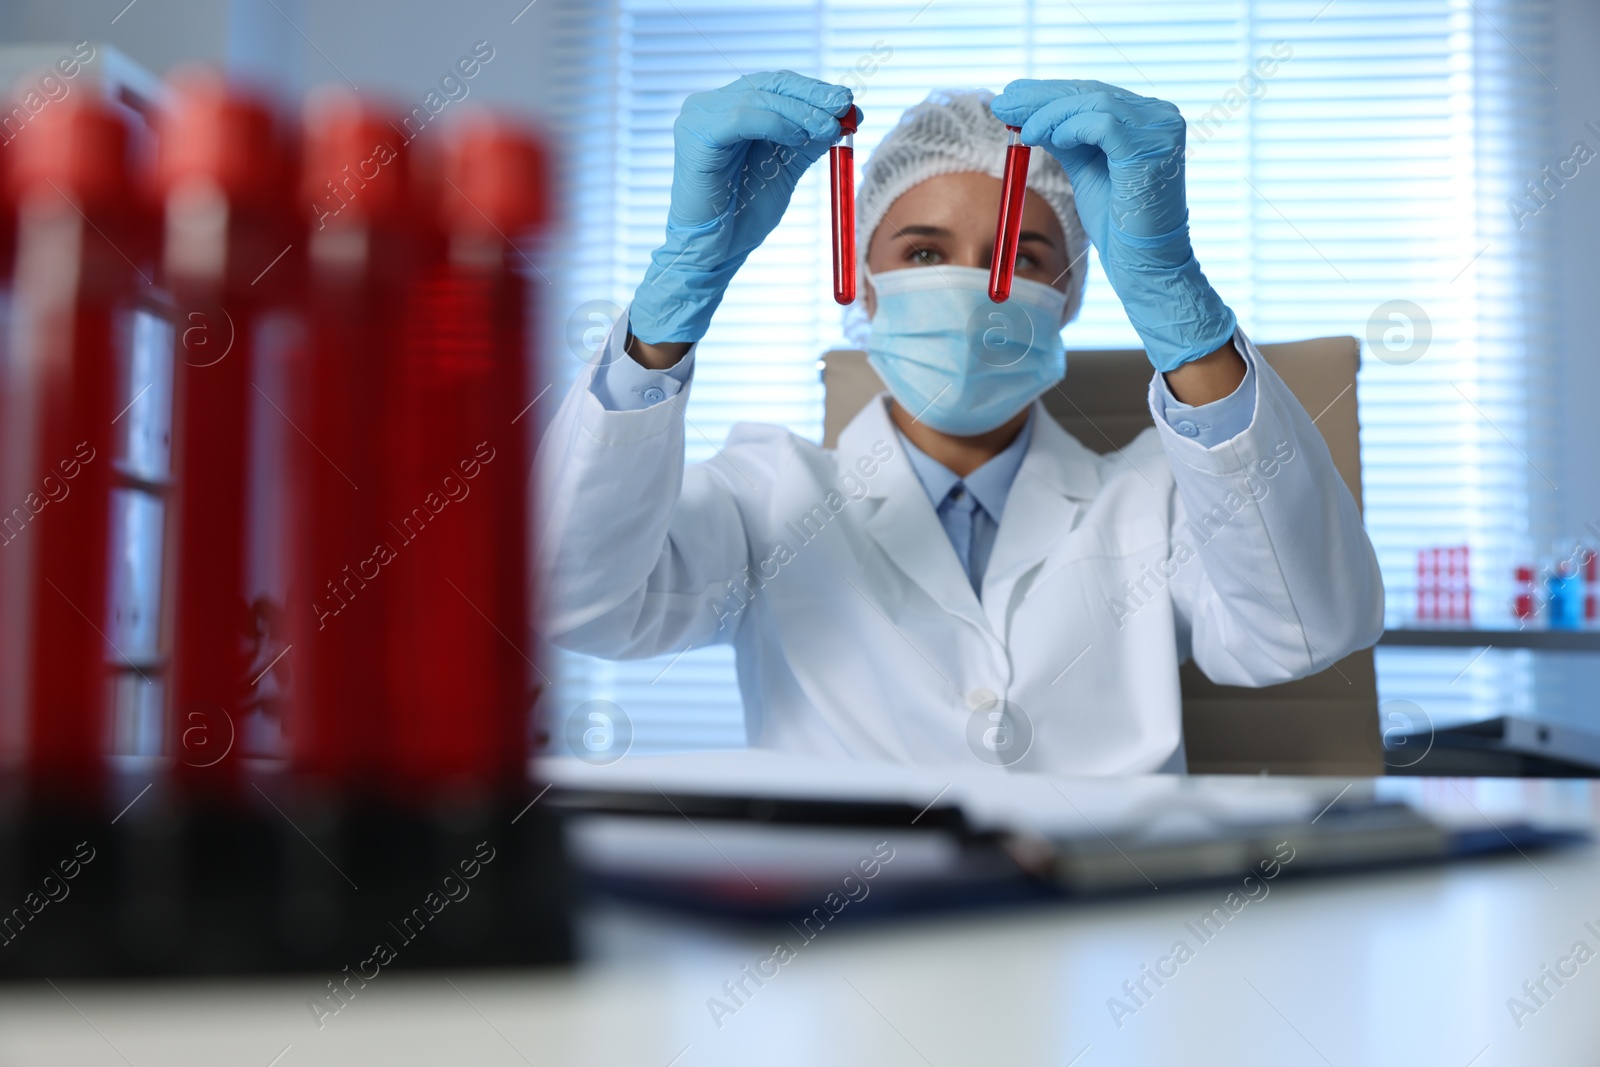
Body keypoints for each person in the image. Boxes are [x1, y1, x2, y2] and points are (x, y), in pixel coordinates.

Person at [536, 72, 1384, 773]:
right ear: (863, 282)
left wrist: (1181, 307)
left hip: (1104, 937)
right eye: (924, 253)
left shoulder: (1153, 499)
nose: (976, 290)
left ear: (1073, 294)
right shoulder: (766, 496)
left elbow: (1305, 628)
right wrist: (672, 301)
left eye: (1023, 254)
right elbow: (574, 597)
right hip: (841, 945)